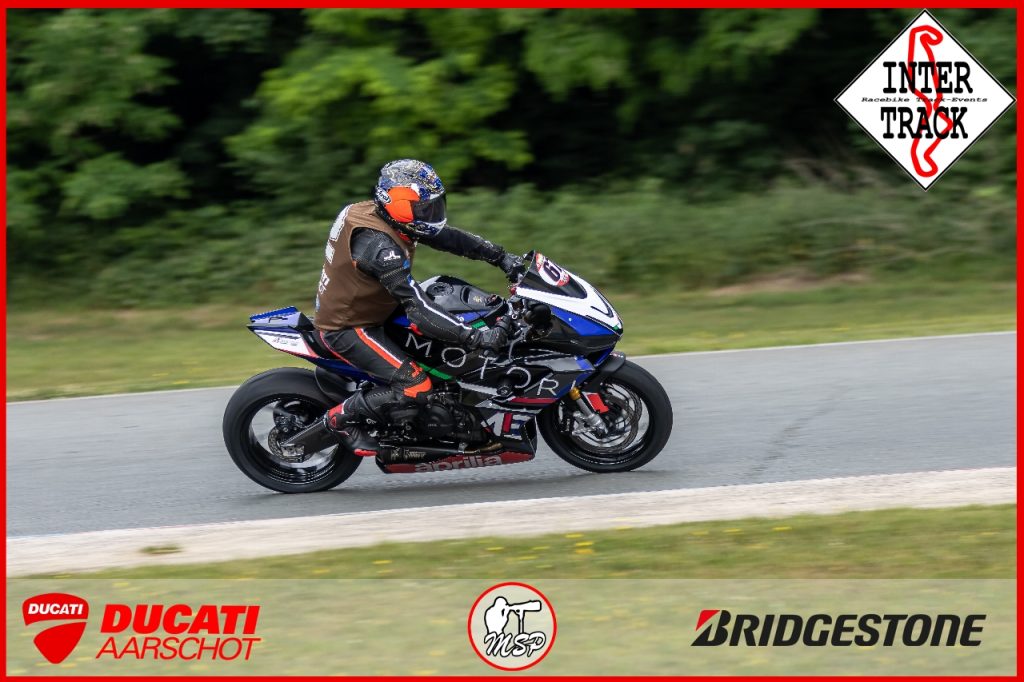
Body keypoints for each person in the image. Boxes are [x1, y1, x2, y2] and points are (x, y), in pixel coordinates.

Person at [312, 159, 525, 456]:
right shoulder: (380, 249)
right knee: (416, 386)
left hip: (376, 306)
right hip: (349, 327)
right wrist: (476, 337)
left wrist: (499, 257)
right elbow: (418, 308)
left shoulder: (377, 213)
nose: (432, 214)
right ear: (399, 206)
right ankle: (340, 420)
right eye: (425, 208)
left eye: (435, 205)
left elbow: (446, 237)